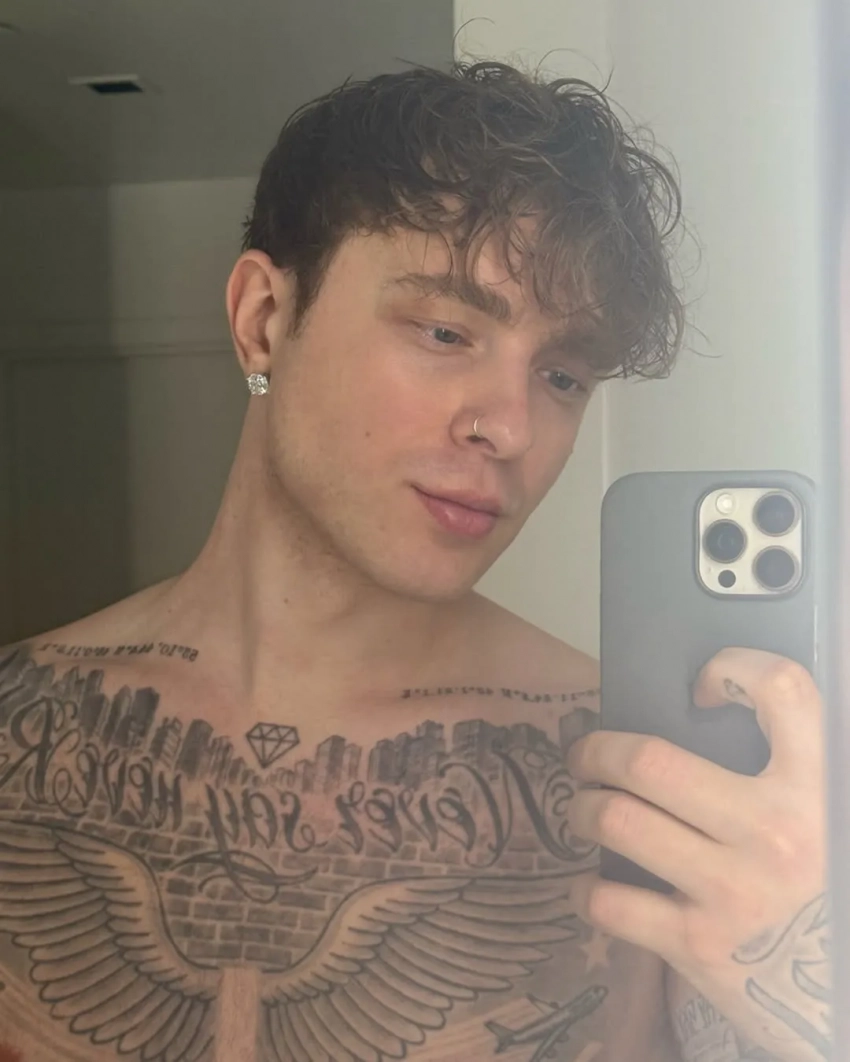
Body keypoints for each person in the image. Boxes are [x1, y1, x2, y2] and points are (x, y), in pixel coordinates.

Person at [0, 62, 829, 1062]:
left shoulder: (657, 793)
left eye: (563, 375)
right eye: (445, 331)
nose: (510, 427)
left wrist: (815, 990)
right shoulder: (18, 731)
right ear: (263, 320)